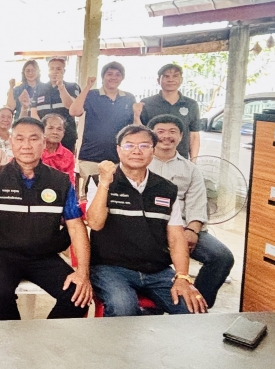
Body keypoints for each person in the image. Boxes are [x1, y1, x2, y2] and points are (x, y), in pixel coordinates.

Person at [0, 117, 92, 320]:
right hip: (2, 256)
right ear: (11, 142)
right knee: (0, 295)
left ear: (43, 142)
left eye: (33, 139)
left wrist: (82, 272)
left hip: (44, 257)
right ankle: (17, 340)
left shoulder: (60, 181)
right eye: (20, 139)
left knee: (78, 297)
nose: (26, 145)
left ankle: (41, 339)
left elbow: (76, 227)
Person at [85, 125, 208, 316]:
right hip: (111, 268)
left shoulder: (166, 189)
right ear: (118, 150)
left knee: (193, 310)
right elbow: (95, 223)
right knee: (123, 307)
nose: (136, 151)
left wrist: (183, 277)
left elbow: (176, 238)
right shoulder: (98, 181)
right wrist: (105, 183)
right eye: (129, 146)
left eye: (144, 146)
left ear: (153, 151)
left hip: (157, 270)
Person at [148, 115, 234, 308]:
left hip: (185, 227)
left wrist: (192, 230)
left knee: (221, 257)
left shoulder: (191, 169)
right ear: (151, 135)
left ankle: (196, 306)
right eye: (160, 131)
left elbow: (197, 203)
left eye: (172, 132)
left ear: (181, 136)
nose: (166, 136)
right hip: (150, 227)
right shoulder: (141, 163)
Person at [69, 62, 140, 196]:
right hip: (91, 156)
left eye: (117, 74)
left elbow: (135, 127)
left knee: (116, 197)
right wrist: (87, 87)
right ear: (103, 76)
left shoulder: (129, 98)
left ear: (122, 78)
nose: (113, 77)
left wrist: (137, 114)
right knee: (89, 198)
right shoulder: (91, 94)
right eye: (109, 74)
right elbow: (74, 111)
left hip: (119, 158)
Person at [141, 64, 201, 160]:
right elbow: (142, 132)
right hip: (152, 159)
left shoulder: (191, 104)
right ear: (158, 80)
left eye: (175, 76)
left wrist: (193, 161)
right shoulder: (147, 103)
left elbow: (194, 135)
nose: (171, 80)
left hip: (181, 158)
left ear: (181, 80)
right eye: (166, 76)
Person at [30, 57, 80, 153]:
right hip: (44, 137)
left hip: (66, 136)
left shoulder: (72, 86)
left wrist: (61, 86)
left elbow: (71, 107)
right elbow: (33, 112)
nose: (54, 71)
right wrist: (42, 131)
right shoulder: (39, 88)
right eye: (51, 68)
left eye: (58, 69)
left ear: (64, 71)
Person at [41, 113, 75, 185]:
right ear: (42, 130)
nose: (55, 132)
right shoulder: (35, 151)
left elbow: (70, 182)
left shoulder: (68, 155)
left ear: (63, 133)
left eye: (59, 129)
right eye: (50, 128)